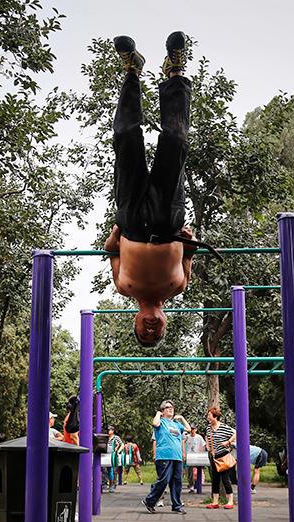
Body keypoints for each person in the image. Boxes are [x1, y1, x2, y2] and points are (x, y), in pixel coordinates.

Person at [105, 32, 215, 348]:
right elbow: (190, 251)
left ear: (135, 322)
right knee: (176, 140)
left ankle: (131, 71)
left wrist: (115, 237)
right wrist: (190, 240)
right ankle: (176, 71)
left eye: (144, 331)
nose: (150, 328)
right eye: (156, 332)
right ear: (165, 324)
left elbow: (111, 251)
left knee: (126, 137)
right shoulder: (178, 287)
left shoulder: (123, 286)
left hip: (132, 217)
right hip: (168, 221)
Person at [142, 400, 187, 514]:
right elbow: (155, 424)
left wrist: (181, 418)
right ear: (162, 410)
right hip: (164, 456)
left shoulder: (177, 424)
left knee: (177, 482)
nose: (170, 409)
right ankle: (149, 501)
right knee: (164, 480)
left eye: (171, 407)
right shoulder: (161, 422)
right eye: (167, 407)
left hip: (177, 457)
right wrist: (158, 414)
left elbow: (188, 429)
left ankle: (176, 506)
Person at [206, 407, 236, 510]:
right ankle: (215, 502)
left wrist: (228, 442)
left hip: (223, 457)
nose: (208, 417)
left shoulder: (224, 427)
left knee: (225, 479)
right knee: (215, 480)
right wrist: (208, 446)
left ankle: (230, 501)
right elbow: (207, 437)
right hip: (214, 458)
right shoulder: (208, 428)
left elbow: (236, 433)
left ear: (215, 416)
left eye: (209, 415)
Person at [183, 424, 207, 493]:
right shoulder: (187, 437)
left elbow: (203, 445)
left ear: (196, 430)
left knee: (199, 470)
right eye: (191, 429)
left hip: (197, 455)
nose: (192, 430)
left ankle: (198, 484)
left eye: (193, 429)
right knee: (190, 471)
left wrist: (202, 453)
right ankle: (191, 486)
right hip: (189, 456)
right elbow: (183, 443)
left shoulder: (199, 437)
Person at [105, 426, 124, 493]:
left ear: (113, 431)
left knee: (112, 471)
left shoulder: (116, 437)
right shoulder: (105, 437)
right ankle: (106, 483)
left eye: (109, 430)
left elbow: (122, 445)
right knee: (105, 471)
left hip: (113, 455)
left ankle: (112, 485)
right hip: (105, 455)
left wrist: (118, 451)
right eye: (107, 430)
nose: (108, 431)